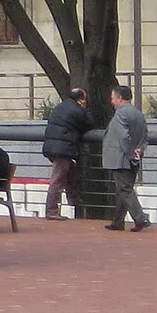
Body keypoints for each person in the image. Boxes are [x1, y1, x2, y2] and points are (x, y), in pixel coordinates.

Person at [101, 84, 149, 232]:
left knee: (124, 189)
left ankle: (140, 218)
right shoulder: (138, 114)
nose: (112, 101)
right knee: (122, 190)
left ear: (120, 98)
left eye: (113, 98)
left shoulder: (121, 114)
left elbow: (123, 137)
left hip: (121, 158)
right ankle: (118, 220)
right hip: (134, 156)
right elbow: (144, 135)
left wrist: (129, 153)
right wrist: (137, 152)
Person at [41, 88, 88, 220]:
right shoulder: (78, 110)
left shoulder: (58, 108)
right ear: (81, 99)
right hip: (63, 149)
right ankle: (52, 211)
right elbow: (88, 124)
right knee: (58, 179)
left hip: (51, 147)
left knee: (70, 171)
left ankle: (74, 200)